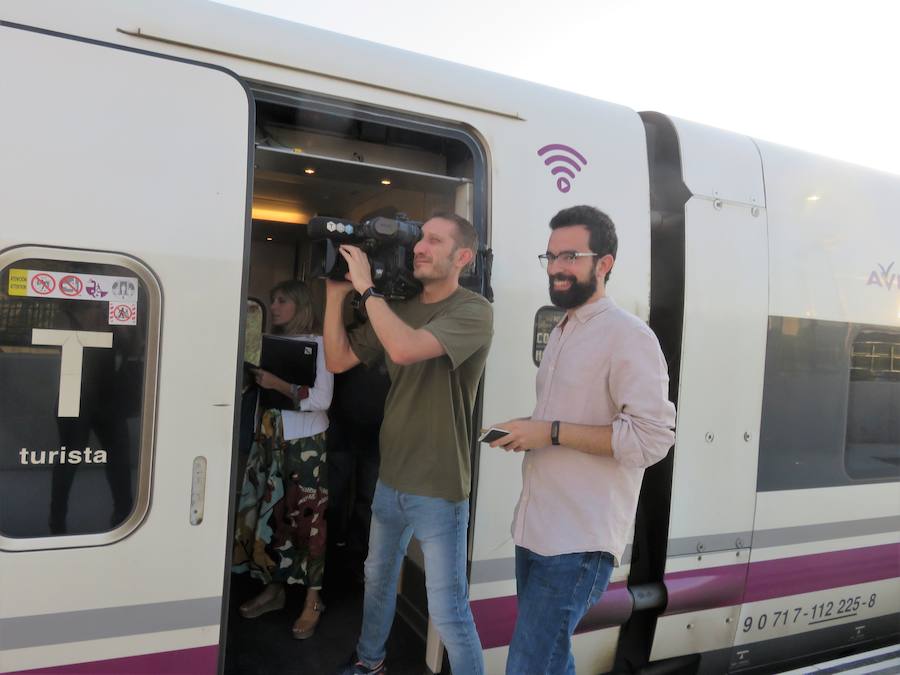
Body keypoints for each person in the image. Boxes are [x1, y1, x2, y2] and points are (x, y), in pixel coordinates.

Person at [488, 205, 676, 675]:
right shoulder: (563, 328)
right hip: (536, 528)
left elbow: (652, 439)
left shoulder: (629, 337)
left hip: (577, 541)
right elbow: (569, 422)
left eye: (570, 255)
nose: (556, 267)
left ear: (605, 263)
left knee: (529, 665)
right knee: (549, 661)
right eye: (550, 256)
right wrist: (530, 430)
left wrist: (548, 432)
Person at [324, 212, 492, 675]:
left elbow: (403, 349)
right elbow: (337, 359)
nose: (419, 247)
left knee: (449, 610)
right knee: (377, 580)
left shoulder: (472, 310)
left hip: (438, 486)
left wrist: (367, 291)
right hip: (390, 476)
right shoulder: (397, 309)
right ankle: (370, 660)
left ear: (462, 257)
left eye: (433, 240)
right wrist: (335, 293)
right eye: (419, 239)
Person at [233, 279, 334, 640]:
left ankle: (312, 599)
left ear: (300, 305)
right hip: (270, 435)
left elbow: (322, 399)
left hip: (305, 441)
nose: (273, 308)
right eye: (272, 300)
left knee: (308, 520)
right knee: (270, 516)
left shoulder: (320, 344)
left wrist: (280, 385)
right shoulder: (267, 344)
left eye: (281, 301)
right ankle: (274, 588)